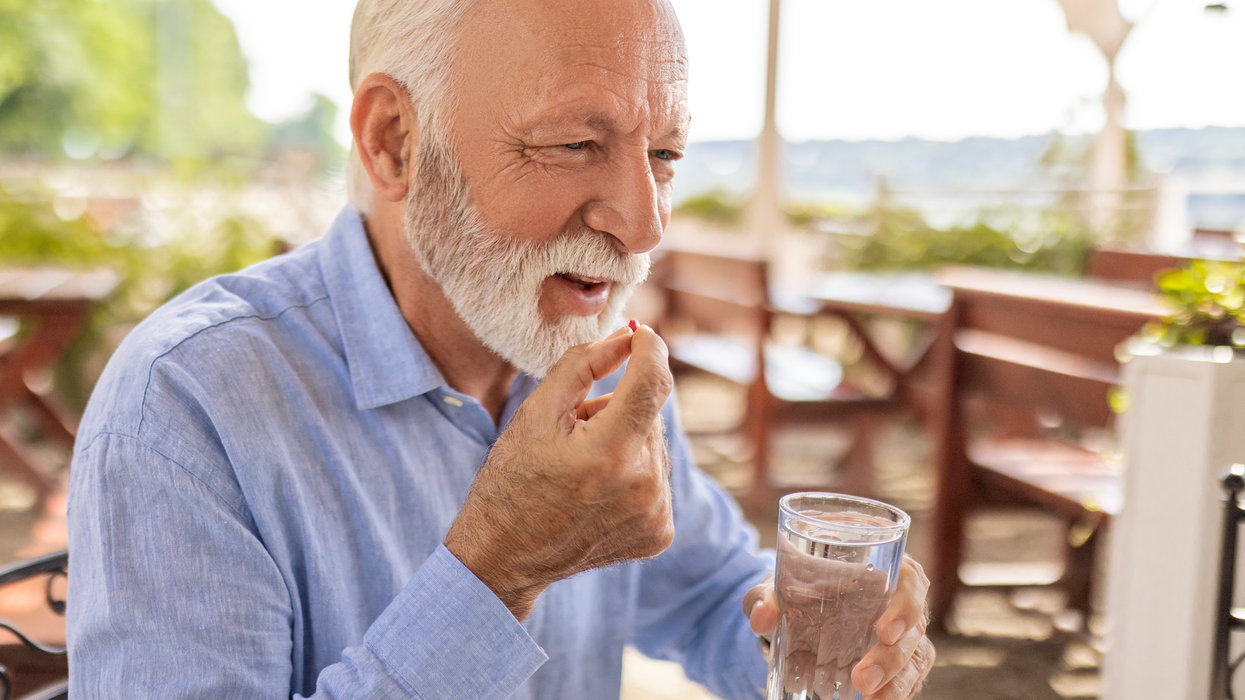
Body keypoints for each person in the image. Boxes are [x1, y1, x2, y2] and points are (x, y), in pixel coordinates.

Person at [66, 0, 935, 697]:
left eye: (664, 153)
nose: (643, 224)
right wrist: (497, 571)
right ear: (393, 141)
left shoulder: (598, 362)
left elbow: (710, 596)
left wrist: (816, 634)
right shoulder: (183, 406)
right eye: (572, 146)